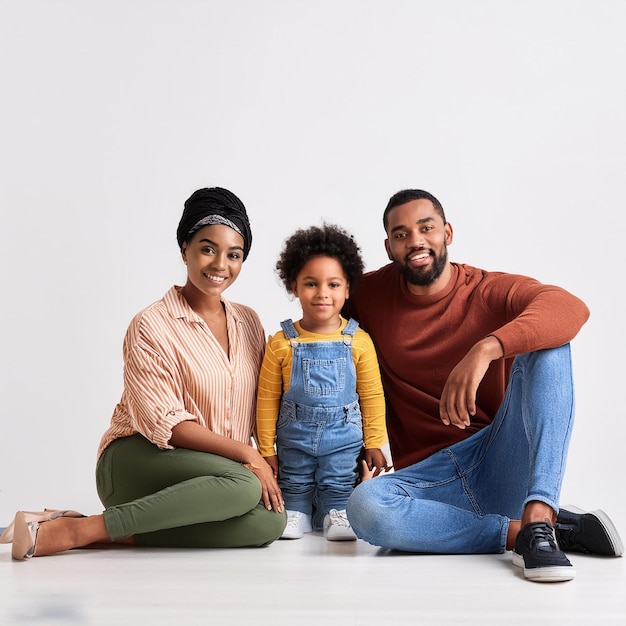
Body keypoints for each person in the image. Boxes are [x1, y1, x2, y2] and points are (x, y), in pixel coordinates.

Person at [344, 189, 623, 582]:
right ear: (389, 247)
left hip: (497, 459)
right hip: (427, 480)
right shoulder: (368, 294)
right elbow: (317, 315)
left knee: (550, 344)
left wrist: (488, 347)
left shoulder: (485, 289)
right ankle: (529, 534)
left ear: (448, 233)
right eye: (402, 234)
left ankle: (540, 513)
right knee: (365, 508)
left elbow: (570, 306)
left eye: (427, 228)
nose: (416, 241)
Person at [8, 187, 286, 560]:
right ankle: (77, 531)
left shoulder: (249, 323)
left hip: (215, 477)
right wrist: (246, 456)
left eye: (234, 255)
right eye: (208, 248)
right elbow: (167, 426)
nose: (221, 264)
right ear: (184, 248)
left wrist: (267, 456)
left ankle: (95, 530)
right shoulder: (151, 325)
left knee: (272, 523)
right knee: (242, 486)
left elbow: (266, 402)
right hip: (138, 459)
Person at [256, 224, 388, 541]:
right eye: (311, 284)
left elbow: (372, 395)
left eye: (333, 284)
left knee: (340, 475)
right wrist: (265, 449)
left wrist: (374, 442)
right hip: (294, 435)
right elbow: (266, 400)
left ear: (347, 289)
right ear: (294, 286)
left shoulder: (359, 341)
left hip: (343, 434)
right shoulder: (281, 343)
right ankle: (296, 512)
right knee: (295, 474)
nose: (322, 293)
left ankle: (338, 512)